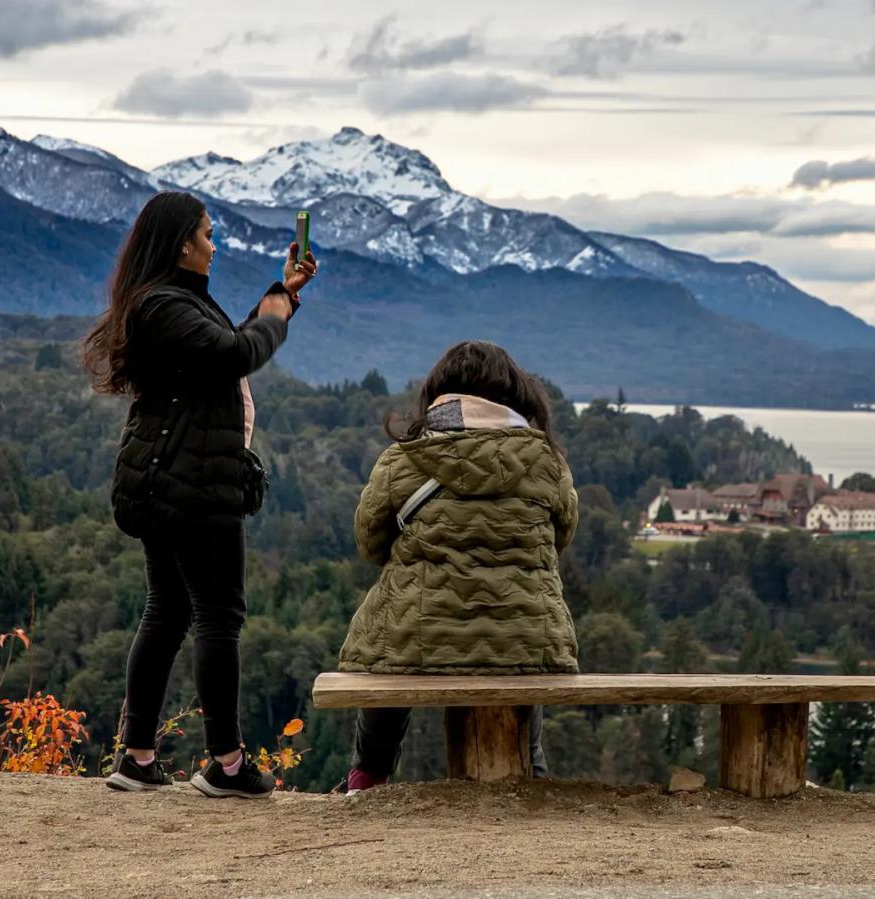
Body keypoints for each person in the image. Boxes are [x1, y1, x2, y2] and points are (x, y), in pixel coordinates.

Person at [82, 190, 317, 797]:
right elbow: (236, 352)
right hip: (191, 484)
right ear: (183, 241)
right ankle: (228, 764)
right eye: (208, 235)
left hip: (168, 478)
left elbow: (221, 349)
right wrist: (277, 316)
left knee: (170, 610)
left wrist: (283, 295)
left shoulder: (167, 302)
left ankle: (137, 758)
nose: (214, 246)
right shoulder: (163, 304)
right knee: (217, 615)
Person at [337, 341, 580, 792]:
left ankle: (367, 776)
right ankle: (532, 781)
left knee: (390, 647)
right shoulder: (548, 463)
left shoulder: (403, 459)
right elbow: (559, 540)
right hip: (522, 638)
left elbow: (370, 543)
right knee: (523, 650)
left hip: (417, 635)